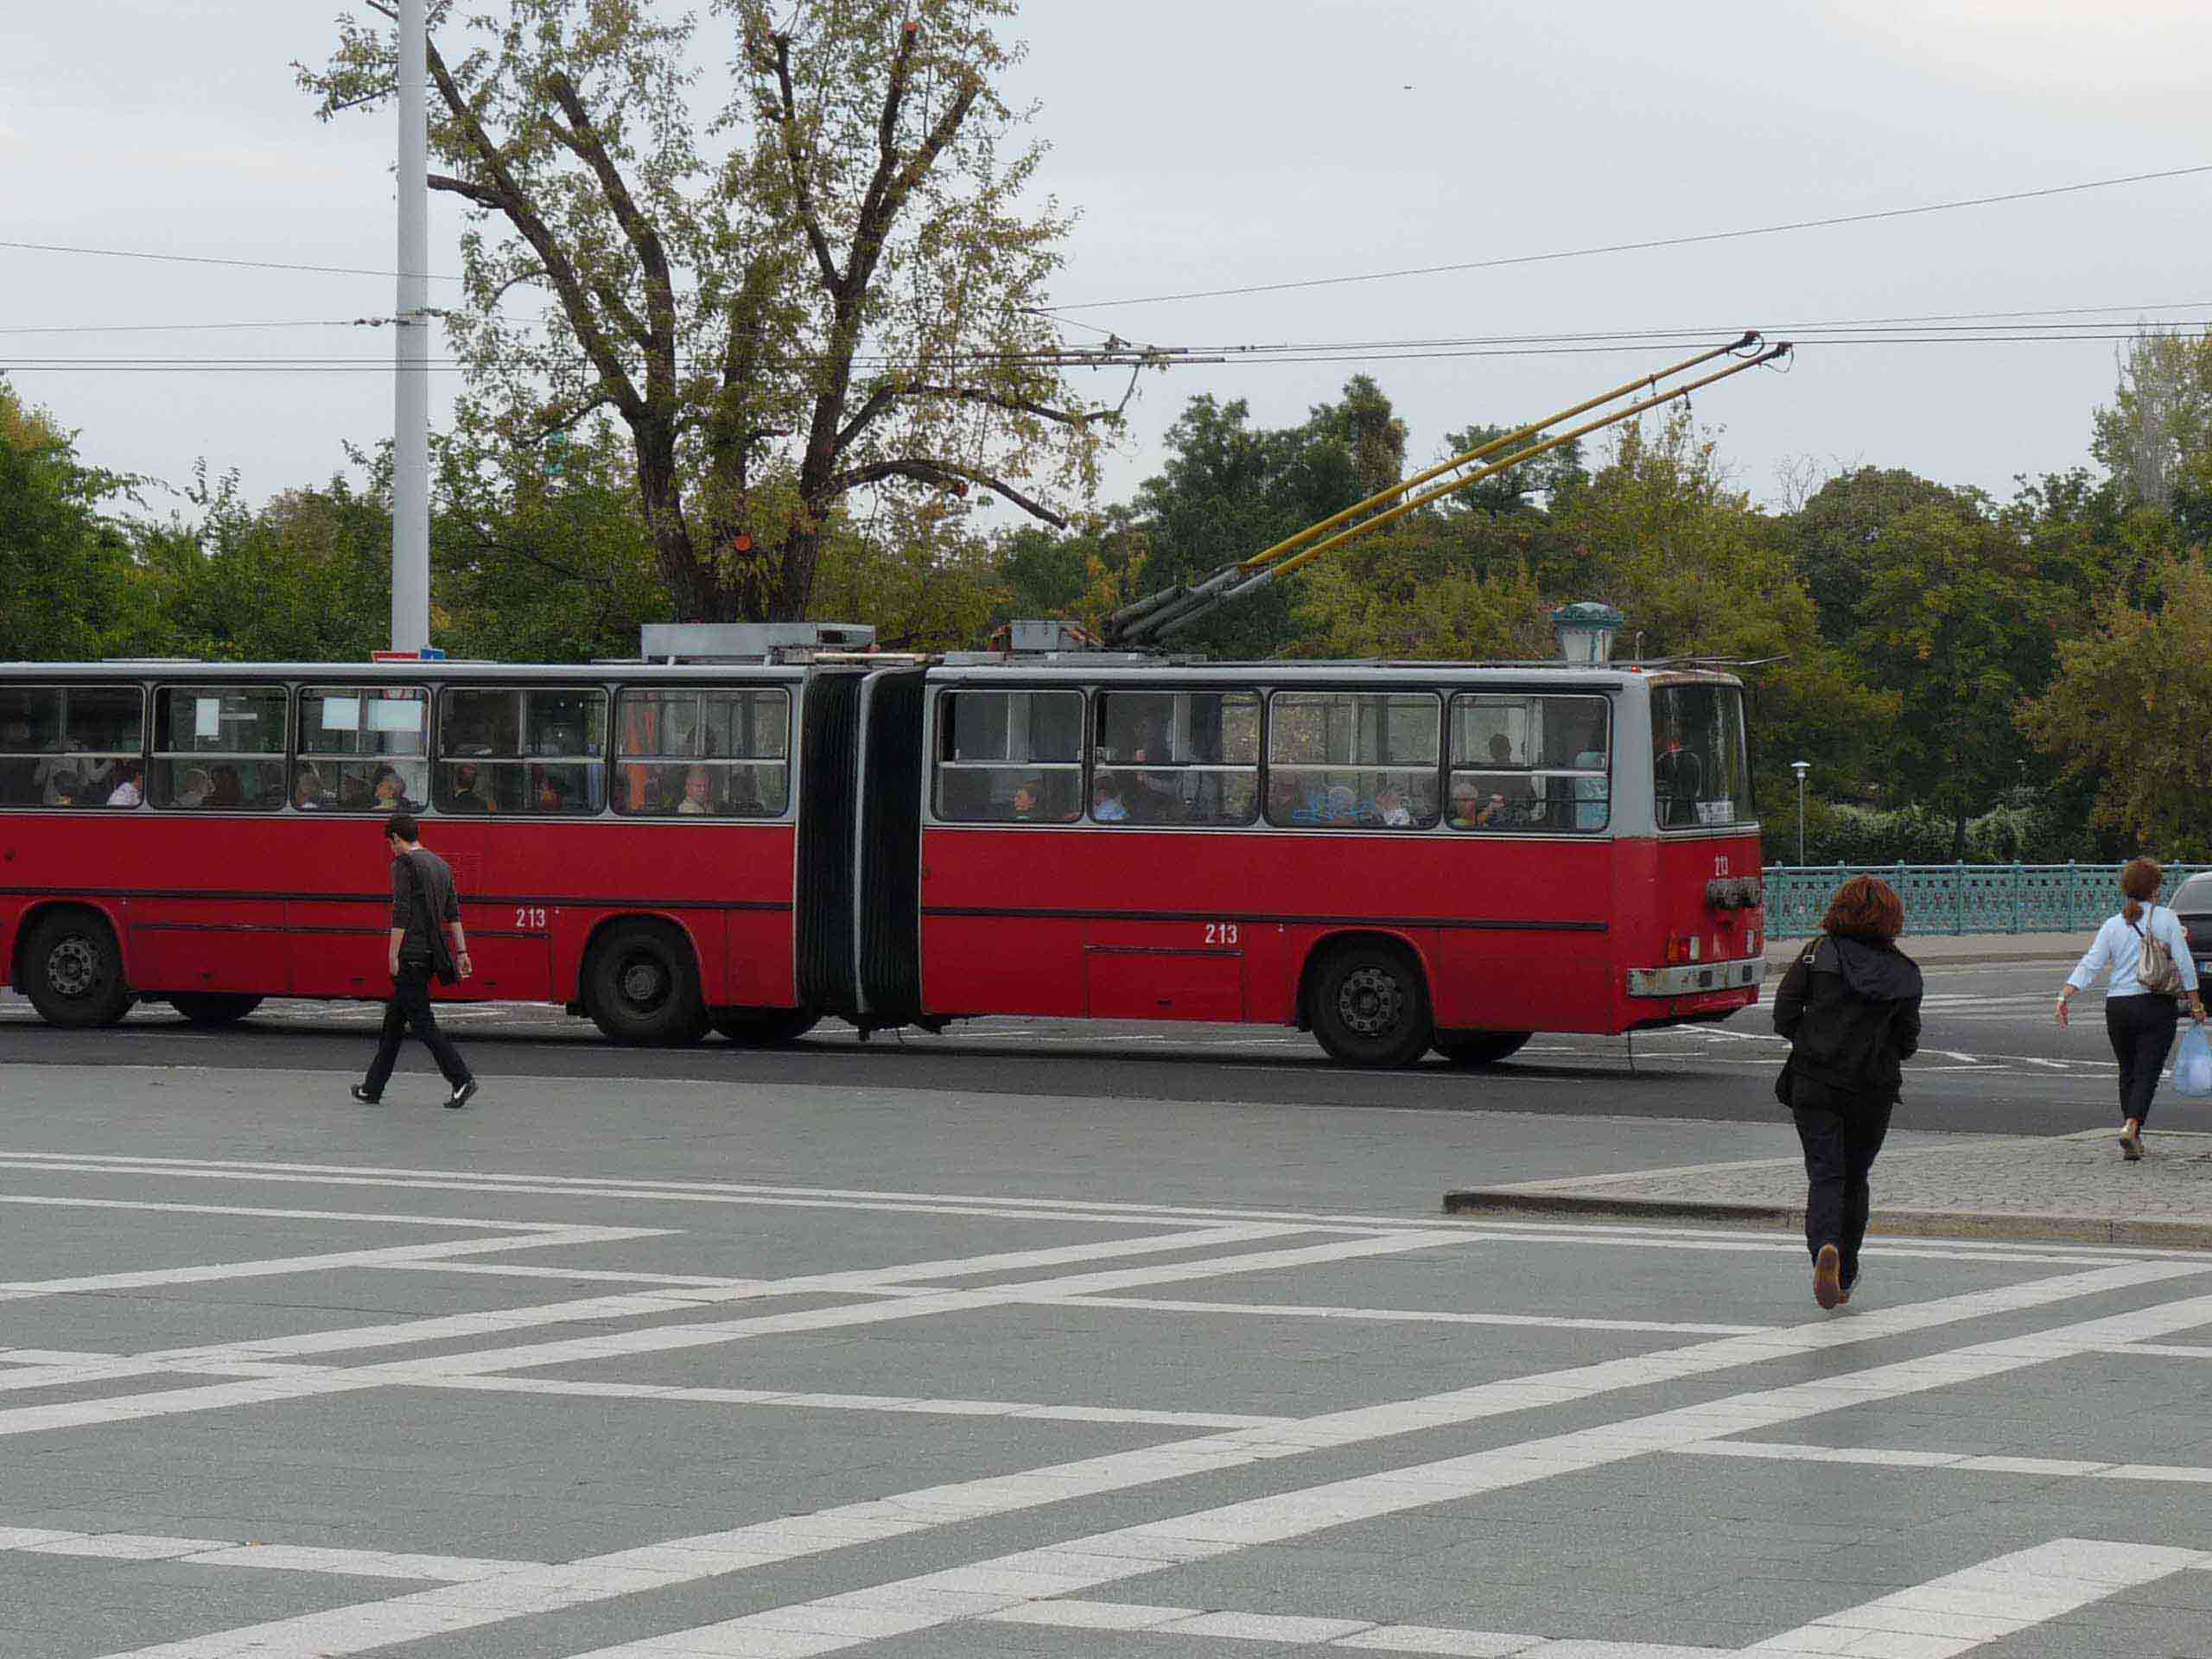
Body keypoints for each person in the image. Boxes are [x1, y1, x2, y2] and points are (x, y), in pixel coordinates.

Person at [1773, 875, 1923, 1311]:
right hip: (1872, 1089)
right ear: (1891, 918)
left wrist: (1814, 1041)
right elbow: (1908, 1042)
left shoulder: (1819, 953)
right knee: (1855, 1179)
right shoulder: (1904, 972)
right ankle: (1846, 1273)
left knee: (1825, 1174)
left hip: (1815, 1083)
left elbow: (1784, 1014)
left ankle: (1824, 1247)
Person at [2058, 857, 2205, 1160]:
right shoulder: (2166, 919)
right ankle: (2132, 1126)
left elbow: (2092, 963)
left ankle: (2132, 1134)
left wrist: (2066, 994)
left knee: (2128, 1071)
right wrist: (2194, 1002)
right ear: (2154, 889)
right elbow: (2185, 963)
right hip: (2155, 1006)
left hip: (2118, 1008)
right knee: (2147, 1071)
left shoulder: (2113, 924)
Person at [352, 813, 478, 1110]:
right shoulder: (441, 866)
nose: (391, 849)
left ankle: (461, 1079)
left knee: (422, 1024)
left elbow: (401, 912)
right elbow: (453, 915)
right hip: (431, 954)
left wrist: (392, 953)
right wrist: (462, 953)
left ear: (396, 837)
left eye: (390, 843)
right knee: (393, 1025)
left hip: (411, 955)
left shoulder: (404, 864)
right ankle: (372, 1088)